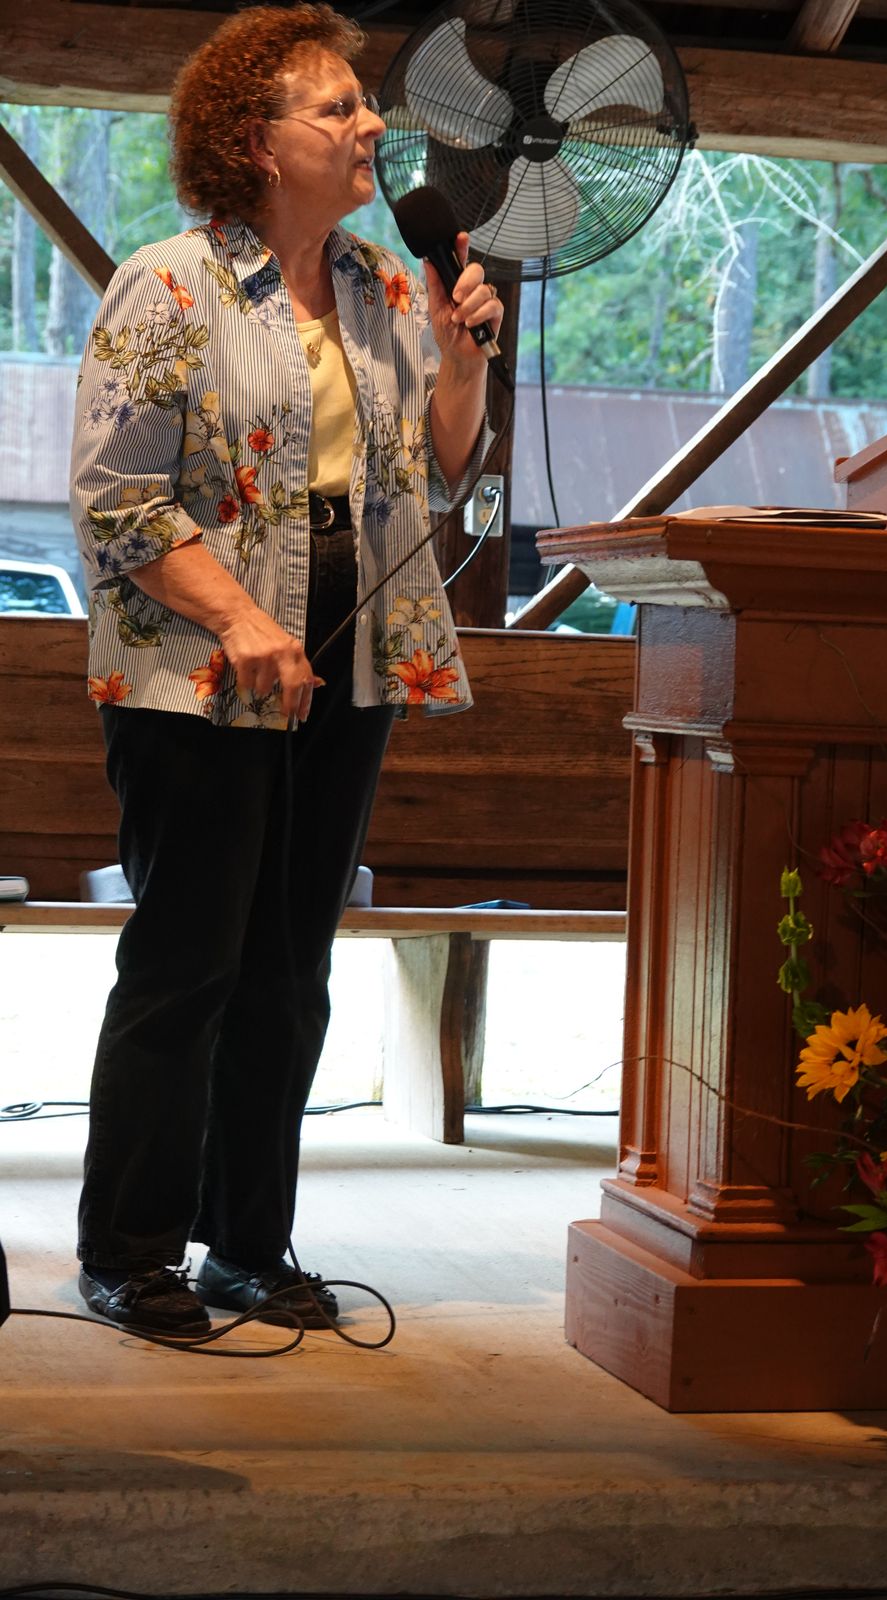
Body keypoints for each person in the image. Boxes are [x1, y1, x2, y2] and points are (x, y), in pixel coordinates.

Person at [69, 2, 500, 1336]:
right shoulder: (169, 285)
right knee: (188, 961)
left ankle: (247, 1246)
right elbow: (116, 500)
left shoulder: (382, 285)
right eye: (338, 105)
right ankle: (127, 1251)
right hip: (202, 659)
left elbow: (441, 467)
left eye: (365, 103)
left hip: (350, 644)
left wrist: (463, 353)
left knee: (289, 967)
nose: (372, 123)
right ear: (257, 143)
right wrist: (239, 621)